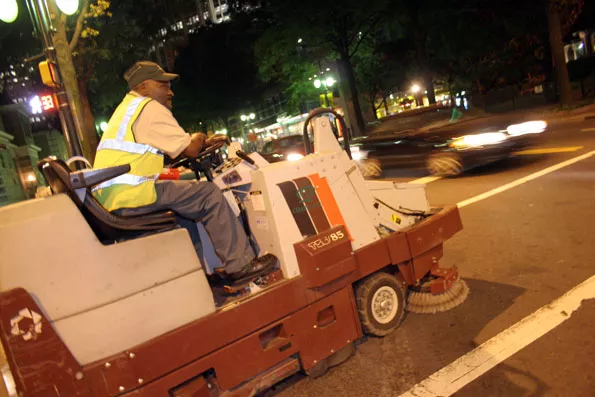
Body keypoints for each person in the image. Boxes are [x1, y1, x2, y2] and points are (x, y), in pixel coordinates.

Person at [92, 60, 276, 282]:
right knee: (208, 194)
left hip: (115, 198)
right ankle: (241, 265)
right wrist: (200, 138)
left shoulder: (126, 111)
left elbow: (173, 150)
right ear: (143, 87)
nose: (170, 92)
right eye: (163, 85)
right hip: (132, 195)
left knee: (187, 207)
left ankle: (198, 274)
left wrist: (198, 144)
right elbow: (190, 148)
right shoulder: (147, 108)